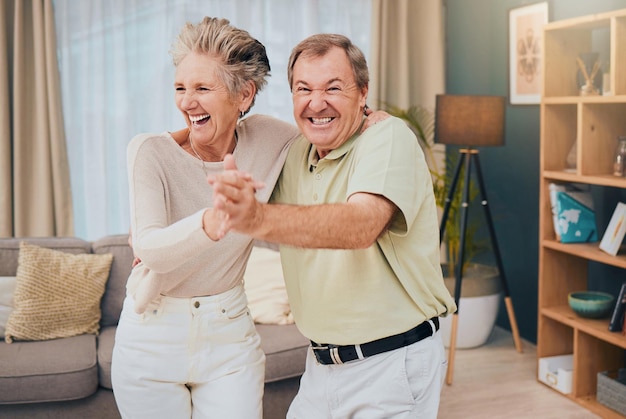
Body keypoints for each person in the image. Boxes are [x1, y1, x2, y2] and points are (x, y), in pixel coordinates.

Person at [111, 18, 386, 419]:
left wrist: (373, 121)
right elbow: (151, 249)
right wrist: (210, 222)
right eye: (181, 88)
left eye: (203, 89)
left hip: (229, 335)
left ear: (244, 95)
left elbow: (326, 124)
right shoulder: (149, 152)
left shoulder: (270, 139)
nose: (188, 102)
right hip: (152, 335)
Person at [210, 33, 457, 418]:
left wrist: (257, 218)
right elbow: (212, 139)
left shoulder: (386, 137)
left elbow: (361, 225)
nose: (316, 102)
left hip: (391, 364)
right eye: (303, 88)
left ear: (363, 93)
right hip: (322, 366)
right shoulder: (292, 154)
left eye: (334, 88)